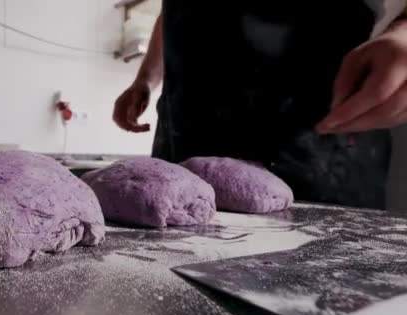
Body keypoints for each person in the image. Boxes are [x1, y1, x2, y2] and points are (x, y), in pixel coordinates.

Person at [113, 1, 407, 210]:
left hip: (315, 144)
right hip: (186, 131)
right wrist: (145, 78)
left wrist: (404, 34)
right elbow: (169, 12)